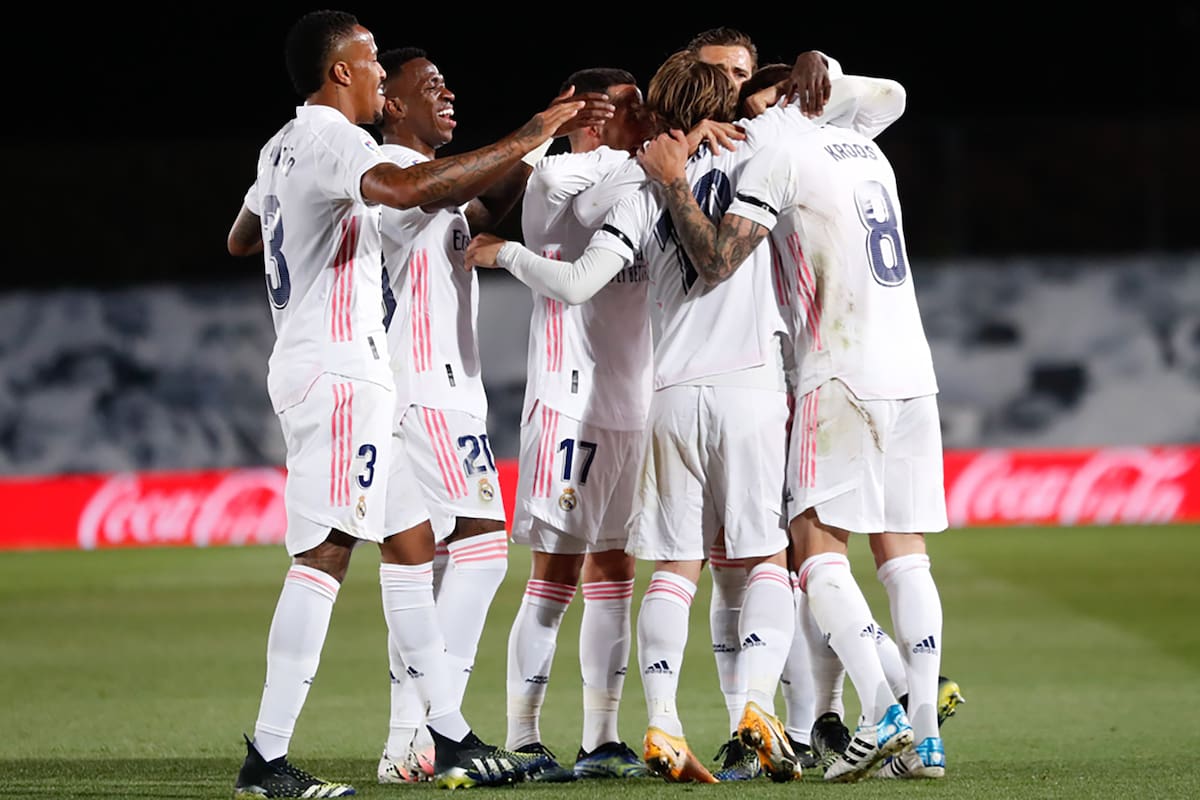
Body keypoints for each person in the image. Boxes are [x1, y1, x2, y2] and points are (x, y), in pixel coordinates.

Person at [225, 11, 604, 796]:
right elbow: (404, 188)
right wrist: (533, 132)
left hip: (336, 368)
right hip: (341, 369)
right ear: (342, 72)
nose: (374, 76)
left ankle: (447, 735)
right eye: (368, 62)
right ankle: (267, 760)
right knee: (324, 557)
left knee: (408, 544)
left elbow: (242, 237)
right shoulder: (337, 140)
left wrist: (314, 226)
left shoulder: (281, 145)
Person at [469, 50, 805, 784]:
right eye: (628, 105)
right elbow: (583, 244)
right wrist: (676, 150)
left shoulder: (648, 178)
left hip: (647, 399)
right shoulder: (566, 175)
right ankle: (524, 736)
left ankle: (605, 737)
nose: (644, 117)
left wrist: (678, 152)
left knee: (624, 570)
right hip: (573, 400)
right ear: (590, 113)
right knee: (557, 572)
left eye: (650, 105)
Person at [635, 57, 951, 782]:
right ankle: (926, 739)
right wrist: (825, 70)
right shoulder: (862, 145)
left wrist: (676, 173)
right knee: (904, 554)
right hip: (913, 370)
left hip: (837, 369)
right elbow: (895, 93)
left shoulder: (773, 149)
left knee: (812, 552)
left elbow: (716, 259)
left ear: (771, 101)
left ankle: (883, 711)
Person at [365, 46, 615, 786]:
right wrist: (536, 130)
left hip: (426, 388)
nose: (447, 92)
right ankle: (436, 733)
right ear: (392, 104)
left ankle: (406, 741)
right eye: (429, 86)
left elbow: (478, 208)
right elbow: (456, 189)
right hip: (427, 387)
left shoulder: (428, 188)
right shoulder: (394, 173)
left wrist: (540, 142)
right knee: (481, 552)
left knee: (432, 569)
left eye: (448, 81)